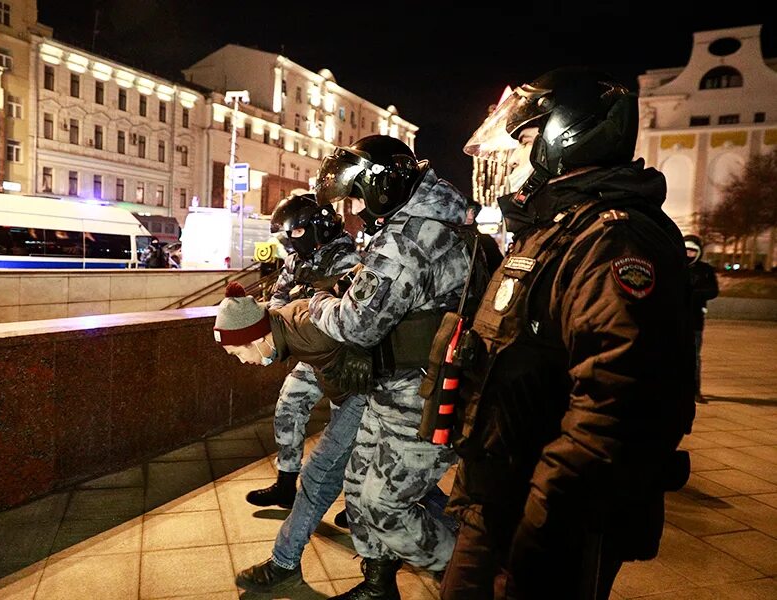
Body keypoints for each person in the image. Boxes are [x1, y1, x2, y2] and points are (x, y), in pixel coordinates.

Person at [443, 66, 697, 600]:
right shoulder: (554, 227)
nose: (512, 158)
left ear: (566, 137)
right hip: (500, 496)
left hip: (555, 518)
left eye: (525, 140)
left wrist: (541, 531)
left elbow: (613, 407)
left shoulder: (612, 238)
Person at [308, 134, 488, 599]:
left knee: (386, 506)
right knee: (357, 483)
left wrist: (318, 303)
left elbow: (357, 323)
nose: (355, 209)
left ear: (382, 187)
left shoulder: (410, 238)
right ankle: (378, 586)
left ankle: (476, 576)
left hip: (420, 395)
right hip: (399, 388)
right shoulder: (427, 221)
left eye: (357, 196)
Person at [213, 281, 370, 593]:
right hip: (354, 397)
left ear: (256, 338)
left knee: (319, 474)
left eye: (239, 352)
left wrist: (364, 354)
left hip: (369, 396)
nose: (243, 361)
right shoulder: (287, 329)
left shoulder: (304, 327)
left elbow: (366, 321)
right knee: (365, 482)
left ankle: (283, 563)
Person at [244, 192, 361, 514]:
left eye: (295, 231)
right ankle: (286, 482)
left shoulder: (348, 260)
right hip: (309, 353)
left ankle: (356, 503)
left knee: (347, 432)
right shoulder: (298, 260)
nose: (290, 239)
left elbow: (358, 318)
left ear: (319, 226)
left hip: (344, 359)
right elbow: (278, 298)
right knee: (288, 406)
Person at [684, 234, 719, 404]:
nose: (689, 254)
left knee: (694, 357)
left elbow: (713, 291)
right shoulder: (673, 266)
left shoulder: (705, 270)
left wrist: (695, 295)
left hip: (695, 320)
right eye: (686, 250)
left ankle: (695, 390)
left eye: (693, 251)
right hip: (675, 319)